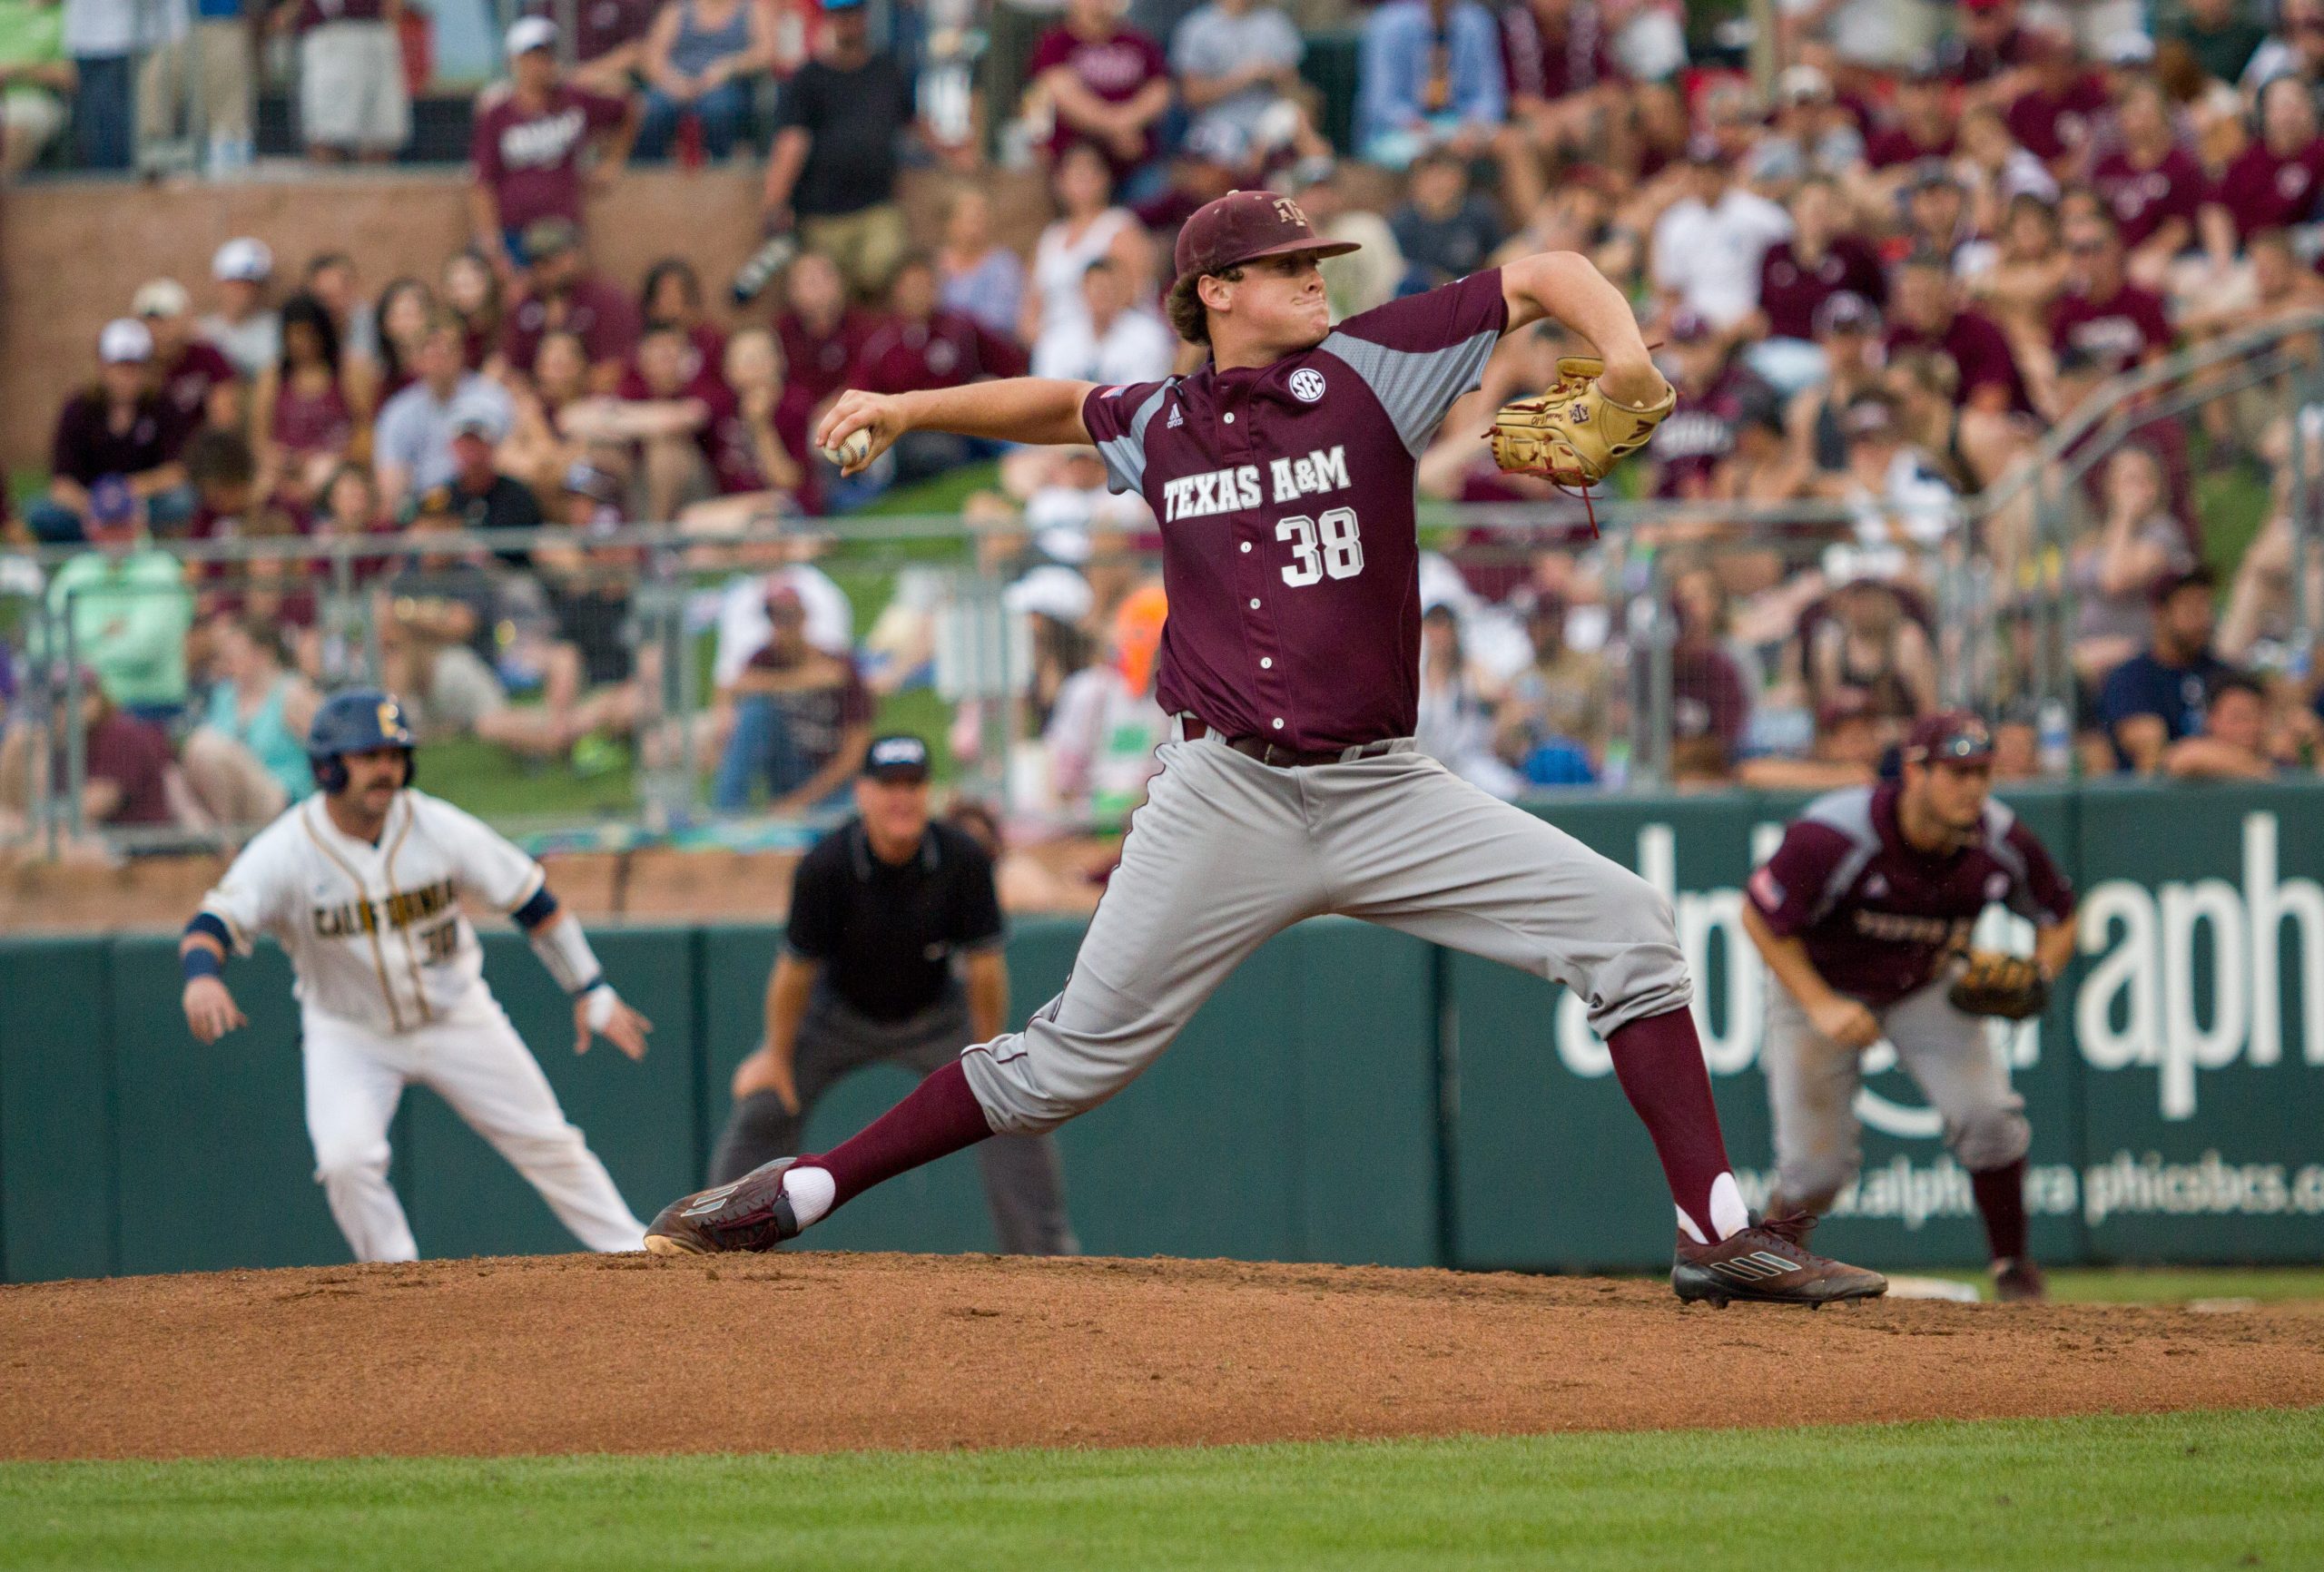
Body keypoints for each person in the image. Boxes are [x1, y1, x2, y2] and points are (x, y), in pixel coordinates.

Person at [645, 186, 1888, 1308]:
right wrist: (907, 405)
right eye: (1291, 265)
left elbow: (1545, 269)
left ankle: (1715, 1229)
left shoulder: (1371, 369)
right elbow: (1056, 407)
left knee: (1626, 927)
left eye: (1320, 260)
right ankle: (803, 1191)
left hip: (1385, 790)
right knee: (1062, 1068)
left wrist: (1622, 361)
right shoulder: (1163, 418)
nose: (1318, 278)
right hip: (1224, 793)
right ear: (1215, 293)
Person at [178, 690, 654, 1263]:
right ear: (329, 765)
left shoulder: (434, 825)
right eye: (369, 755)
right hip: (349, 1033)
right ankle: (398, 1283)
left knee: (549, 1142)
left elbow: (534, 901)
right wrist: (203, 978)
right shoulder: (288, 849)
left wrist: (590, 987)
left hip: (457, 1015)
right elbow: (212, 924)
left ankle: (635, 1253)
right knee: (344, 1161)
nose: (387, 768)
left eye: (396, 754)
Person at [1742, 712, 2078, 1303]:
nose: (1972, 787)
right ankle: (1766, 1255)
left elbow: (2059, 915)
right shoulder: (1836, 832)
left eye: (1982, 772)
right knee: (1816, 1173)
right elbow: (1758, 916)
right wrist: (1819, 1005)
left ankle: (2014, 1271)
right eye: (1956, 772)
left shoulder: (2000, 837)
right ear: (1915, 772)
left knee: (1991, 1119)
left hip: (1923, 985)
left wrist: (2041, 970)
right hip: (1824, 984)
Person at [707, 734, 1079, 1254]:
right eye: (888, 786)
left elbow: (986, 969)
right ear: (862, 794)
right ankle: (718, 1243)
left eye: (913, 784)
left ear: (928, 793)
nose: (901, 798)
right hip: (838, 1015)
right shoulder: (826, 866)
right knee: (766, 1101)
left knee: (1013, 1105)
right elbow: (794, 972)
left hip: (937, 1016)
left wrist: (990, 1045)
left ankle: (1047, 1260)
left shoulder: (963, 859)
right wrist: (774, 1053)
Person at [753, 0, 914, 301]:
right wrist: (774, 203)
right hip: (820, 214)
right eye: (839, 14)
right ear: (828, 18)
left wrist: (955, 152)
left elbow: (912, 123)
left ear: (864, 16)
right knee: (819, 287)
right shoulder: (808, 77)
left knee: (882, 264)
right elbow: (791, 143)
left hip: (875, 209)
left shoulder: (886, 70)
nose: (846, 21)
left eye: (852, 12)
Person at [469, 17, 637, 281]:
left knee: (568, 299)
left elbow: (628, 103)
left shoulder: (573, 100)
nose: (542, 63)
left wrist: (612, 163)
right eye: (534, 56)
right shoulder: (497, 114)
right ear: (515, 61)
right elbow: (482, 183)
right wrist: (494, 248)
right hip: (515, 234)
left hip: (564, 231)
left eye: (548, 54)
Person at [39, 477, 196, 722]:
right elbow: (41, 643)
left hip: (149, 709)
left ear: (140, 522)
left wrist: (76, 648)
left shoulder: (163, 571)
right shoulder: (74, 572)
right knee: (26, 734)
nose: (114, 535)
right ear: (90, 526)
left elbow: (142, 652)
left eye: (122, 524)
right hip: (75, 709)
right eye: (106, 526)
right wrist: (103, 632)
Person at [711, 581, 874, 813]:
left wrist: (799, 802)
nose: (782, 627)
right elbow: (732, 686)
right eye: (775, 618)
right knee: (755, 711)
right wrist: (802, 679)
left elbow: (855, 753)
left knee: (851, 814)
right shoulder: (764, 658)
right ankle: (727, 814)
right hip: (789, 767)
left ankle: (737, 815)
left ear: (804, 617)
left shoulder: (843, 665)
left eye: (788, 617)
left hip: (832, 780)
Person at [30, 319, 195, 544]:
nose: (127, 377)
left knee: (181, 502)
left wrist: (123, 497)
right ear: (103, 366)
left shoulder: (162, 406)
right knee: (41, 514)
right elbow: (61, 484)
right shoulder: (78, 409)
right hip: (87, 509)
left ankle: (146, 547)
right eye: (120, 367)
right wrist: (99, 508)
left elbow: (176, 471)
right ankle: (86, 554)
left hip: (143, 506)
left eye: (134, 368)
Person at [2098, 565, 2236, 772]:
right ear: (2160, 614)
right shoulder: (2130, 678)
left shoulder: (2224, 674)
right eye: (2192, 608)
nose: (2204, 619)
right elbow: (2149, 752)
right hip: (2163, 796)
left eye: (2206, 606)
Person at [373, 312, 516, 511]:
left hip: (487, 503)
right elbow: (391, 483)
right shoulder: (398, 411)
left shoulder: (491, 399)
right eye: (428, 351)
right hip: (428, 512)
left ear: (460, 353)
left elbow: (510, 461)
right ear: (415, 359)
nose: (437, 359)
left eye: (444, 349)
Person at [1026, 0, 1172, 192]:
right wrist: (1119, 128)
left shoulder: (1139, 41)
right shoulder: (1055, 43)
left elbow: (1160, 90)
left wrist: (1125, 122)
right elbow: (1066, 96)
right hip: (1077, 164)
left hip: (1136, 161)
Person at [1354, 0, 1505, 170]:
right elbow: (1382, 105)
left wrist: (1473, 126)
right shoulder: (1389, 23)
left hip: (1462, 127)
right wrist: (1428, 133)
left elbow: (1489, 97)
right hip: (1401, 134)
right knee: (1432, 159)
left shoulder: (1476, 20)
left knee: (1511, 144)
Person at [251, 291, 362, 513]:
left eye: (307, 334)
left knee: (325, 474)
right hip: (285, 469)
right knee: (260, 488)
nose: (300, 343)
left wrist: (338, 458)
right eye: (293, 336)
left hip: (334, 468)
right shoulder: (272, 377)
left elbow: (365, 428)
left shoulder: (349, 372)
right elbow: (259, 437)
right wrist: (276, 460)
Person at [635, 0, 774, 162]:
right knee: (650, 109)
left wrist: (728, 67)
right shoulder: (677, 9)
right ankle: (649, 171)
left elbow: (766, 52)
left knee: (718, 110)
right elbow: (652, 56)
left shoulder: (752, 9)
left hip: (727, 85)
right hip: (675, 83)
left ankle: (720, 170)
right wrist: (673, 81)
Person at [275, 0, 408, 162]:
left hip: (376, 29)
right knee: (327, 136)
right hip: (333, 32)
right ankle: (326, 186)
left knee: (380, 137)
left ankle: (374, 187)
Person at [1029, 255, 1173, 387]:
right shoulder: (1053, 341)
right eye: (1096, 288)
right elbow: (1045, 399)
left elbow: (1147, 401)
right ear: (1082, 291)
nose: (1102, 295)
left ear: (1121, 291)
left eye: (1108, 289)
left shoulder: (1150, 339)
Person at [135, 278, 242, 433]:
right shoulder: (134, 364)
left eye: (165, 320)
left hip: (197, 449)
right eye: (150, 321)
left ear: (185, 318)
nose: (157, 329)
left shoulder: (206, 357)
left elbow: (224, 417)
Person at [0, 0, 74, 179]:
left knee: (13, 134)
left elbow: (72, 76)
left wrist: (16, 70)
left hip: (37, 100)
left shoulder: (69, 15)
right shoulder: (4, 8)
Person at [201, 237, 282, 380]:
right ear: (219, 283)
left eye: (250, 283)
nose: (243, 291)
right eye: (235, 282)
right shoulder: (203, 332)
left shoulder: (276, 328)